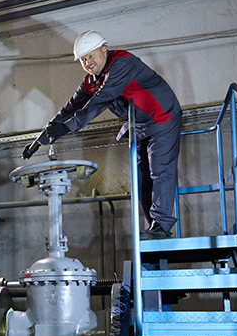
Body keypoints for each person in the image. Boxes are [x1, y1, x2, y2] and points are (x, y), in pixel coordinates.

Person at [24, 30, 182, 240]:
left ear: (104, 50)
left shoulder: (122, 63)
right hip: (139, 125)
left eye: (91, 55)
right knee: (142, 179)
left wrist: (68, 127)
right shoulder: (91, 81)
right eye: (83, 59)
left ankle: (161, 226)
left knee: (160, 171)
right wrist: (42, 137)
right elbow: (70, 108)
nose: (87, 62)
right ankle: (153, 228)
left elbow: (103, 98)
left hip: (162, 117)